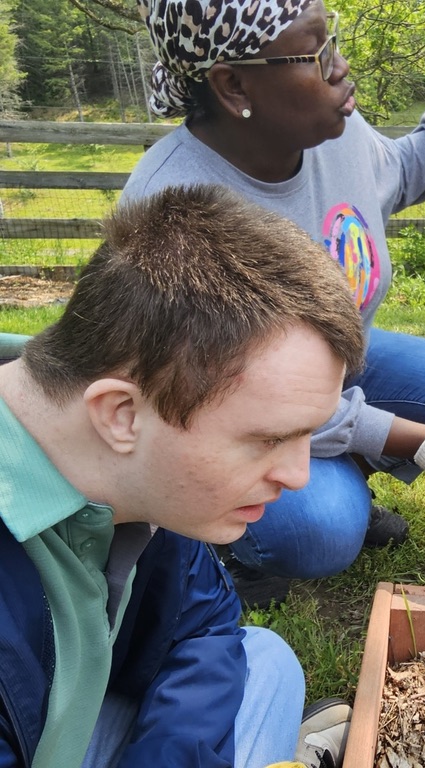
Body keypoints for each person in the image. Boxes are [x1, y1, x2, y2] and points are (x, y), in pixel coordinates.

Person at [124, 0, 425, 592]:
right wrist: (416, 440)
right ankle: (228, 546)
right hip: (228, 419)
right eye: (316, 52)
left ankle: (339, 475)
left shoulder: (333, 133)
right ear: (232, 84)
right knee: (319, 531)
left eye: (334, 42)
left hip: (335, 368)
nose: (341, 66)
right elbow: (237, 398)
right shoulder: (177, 210)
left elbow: (398, 171)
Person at [0, 185, 365, 768]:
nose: (299, 475)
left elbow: (201, 626)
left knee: (263, 655)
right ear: (120, 414)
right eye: (268, 439)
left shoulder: (139, 470)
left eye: (307, 435)